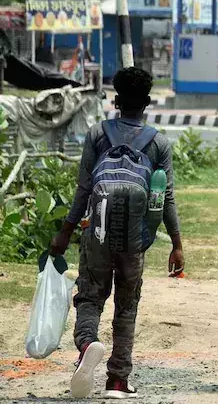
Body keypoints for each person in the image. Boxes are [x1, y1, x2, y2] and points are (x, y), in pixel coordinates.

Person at [49, 67, 185, 400]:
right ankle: (118, 381)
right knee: (127, 305)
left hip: (96, 230)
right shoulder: (158, 143)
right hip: (135, 238)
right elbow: (165, 197)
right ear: (148, 102)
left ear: (117, 101)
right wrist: (177, 244)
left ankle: (87, 344)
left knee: (90, 297)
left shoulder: (98, 134)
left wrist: (65, 232)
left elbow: (84, 188)